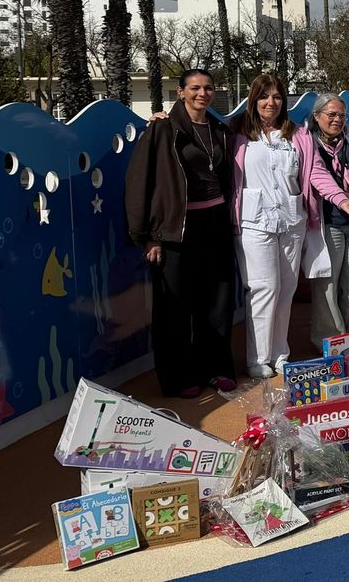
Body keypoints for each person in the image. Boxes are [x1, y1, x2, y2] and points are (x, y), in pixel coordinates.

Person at [124, 69, 238, 397]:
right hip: (177, 229)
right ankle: (178, 377)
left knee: (216, 300)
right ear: (181, 92)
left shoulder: (219, 129)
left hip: (215, 223)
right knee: (174, 307)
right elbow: (140, 181)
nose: (202, 94)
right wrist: (149, 235)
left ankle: (215, 369)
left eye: (208, 88)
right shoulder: (163, 128)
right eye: (195, 88)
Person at [229, 73, 315, 379]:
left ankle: (280, 353)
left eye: (277, 96)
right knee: (264, 288)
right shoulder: (237, 132)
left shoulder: (297, 134)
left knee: (287, 288)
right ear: (253, 100)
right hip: (254, 222)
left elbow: (311, 173)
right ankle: (258, 357)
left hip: (291, 221)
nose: (271, 102)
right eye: (264, 96)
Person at [302, 94, 349, 340]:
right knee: (327, 285)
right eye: (331, 115)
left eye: (342, 115)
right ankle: (331, 340)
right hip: (327, 224)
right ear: (316, 116)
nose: (337, 120)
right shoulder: (307, 145)